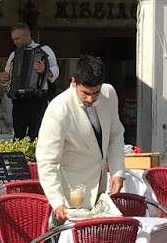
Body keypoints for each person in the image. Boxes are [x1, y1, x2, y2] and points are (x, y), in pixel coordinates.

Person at [36, 56, 125, 223]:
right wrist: (56, 201)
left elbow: (115, 134)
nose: (91, 98)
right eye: (86, 93)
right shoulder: (58, 109)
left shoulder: (109, 94)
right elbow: (47, 161)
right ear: (74, 82)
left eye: (96, 93)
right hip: (71, 197)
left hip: (102, 192)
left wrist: (118, 170)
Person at [0, 23, 59, 142]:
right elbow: (7, 76)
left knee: (36, 131)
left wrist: (45, 70)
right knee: (18, 133)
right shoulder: (14, 55)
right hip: (19, 99)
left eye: (17, 38)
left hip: (37, 98)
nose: (15, 42)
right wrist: (2, 78)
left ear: (27, 35)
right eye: (13, 39)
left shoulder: (44, 50)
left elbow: (55, 72)